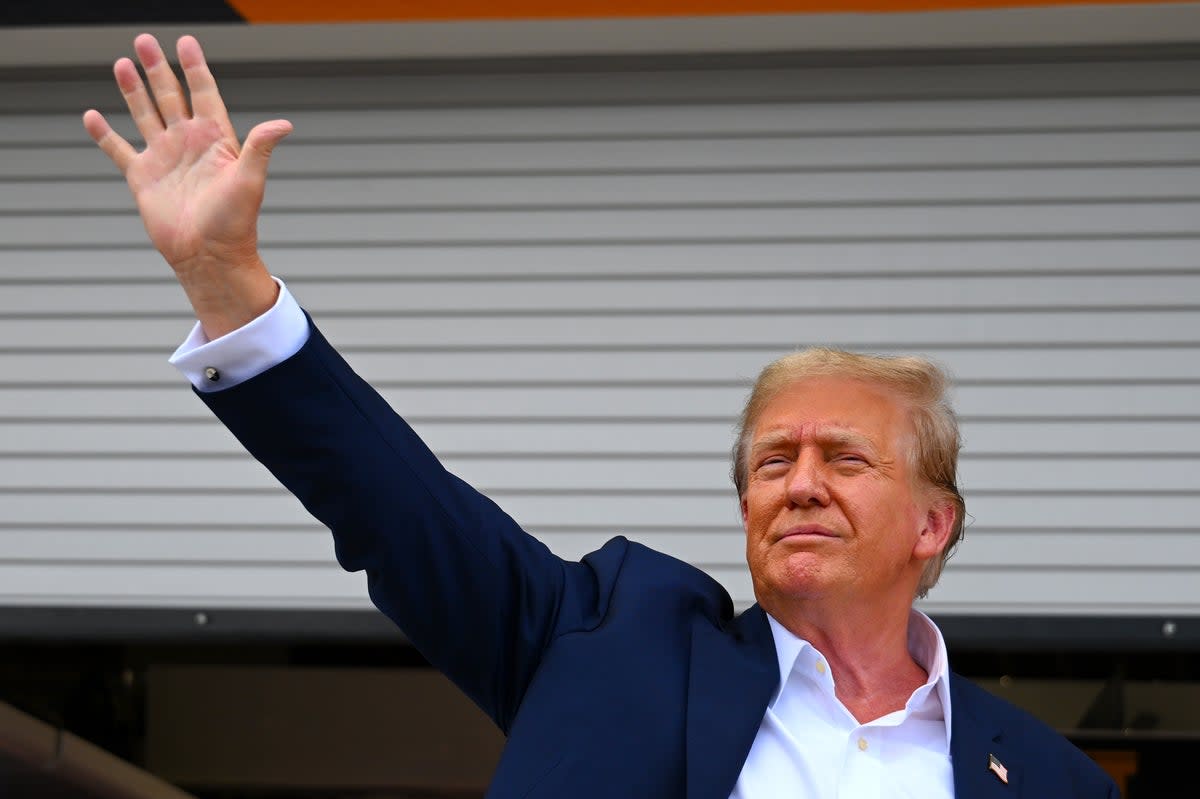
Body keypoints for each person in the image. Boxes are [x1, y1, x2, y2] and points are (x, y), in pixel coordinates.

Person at [83, 33, 1119, 799]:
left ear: (934, 523)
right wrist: (230, 284)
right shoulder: (611, 637)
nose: (798, 482)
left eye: (845, 458)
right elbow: (402, 510)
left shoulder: (1048, 776)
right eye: (771, 461)